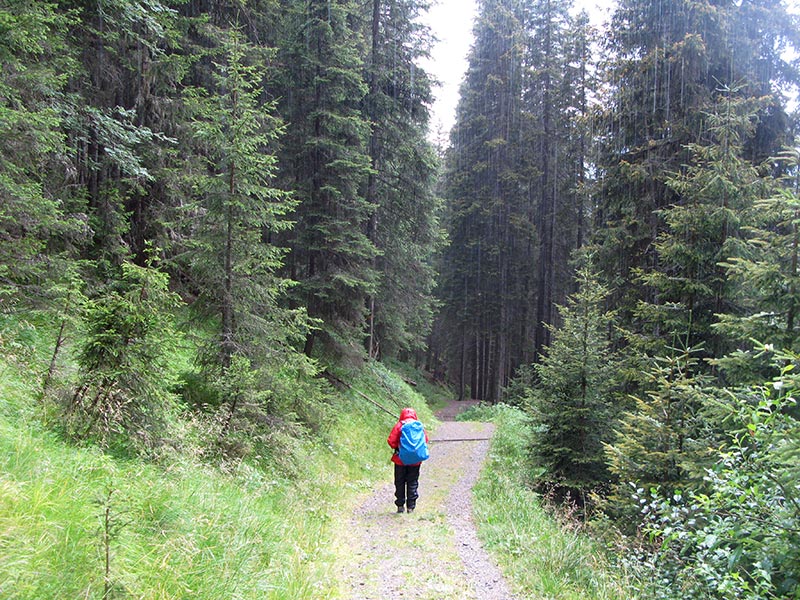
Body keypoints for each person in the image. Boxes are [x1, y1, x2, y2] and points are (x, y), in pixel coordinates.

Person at [387, 407, 428, 514]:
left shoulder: (400, 425)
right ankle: (411, 507)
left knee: (399, 482)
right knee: (413, 482)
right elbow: (425, 440)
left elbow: (391, 441)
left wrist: (400, 448)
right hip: (415, 461)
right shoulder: (418, 426)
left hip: (400, 460)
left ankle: (400, 505)